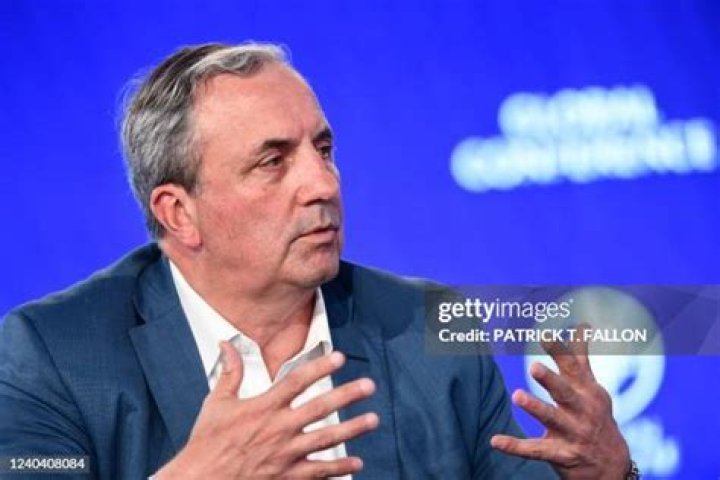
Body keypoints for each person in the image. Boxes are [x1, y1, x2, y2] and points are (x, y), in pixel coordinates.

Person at [0, 42, 634, 479]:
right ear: (179, 213)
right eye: (273, 161)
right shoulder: (54, 355)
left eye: (323, 150)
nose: (323, 184)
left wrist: (613, 474)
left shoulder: (424, 326)